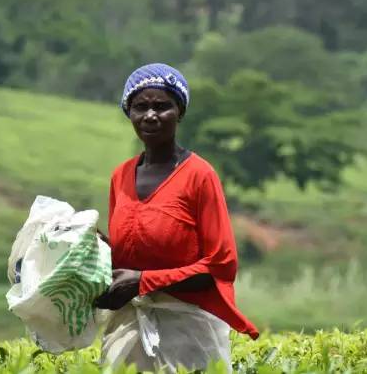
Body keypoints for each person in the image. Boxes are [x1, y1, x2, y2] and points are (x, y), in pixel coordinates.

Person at [94, 63, 258, 372]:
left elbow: (221, 265)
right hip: (129, 329)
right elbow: (129, 253)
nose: (150, 115)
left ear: (179, 112)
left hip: (188, 335)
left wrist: (143, 282)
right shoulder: (121, 176)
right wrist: (94, 249)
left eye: (162, 106)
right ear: (129, 113)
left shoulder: (199, 175)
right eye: (140, 107)